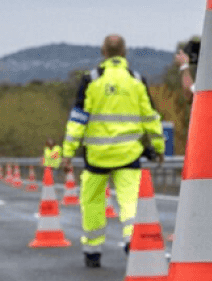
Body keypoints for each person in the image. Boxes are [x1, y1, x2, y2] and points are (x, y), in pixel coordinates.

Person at [63, 34, 166, 268]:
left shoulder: (91, 79)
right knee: (130, 201)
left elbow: (77, 120)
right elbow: (151, 117)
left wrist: (67, 152)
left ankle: (92, 251)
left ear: (103, 52)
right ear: (125, 52)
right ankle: (132, 240)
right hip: (128, 154)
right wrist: (159, 147)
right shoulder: (137, 80)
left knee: (92, 202)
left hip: (96, 157)